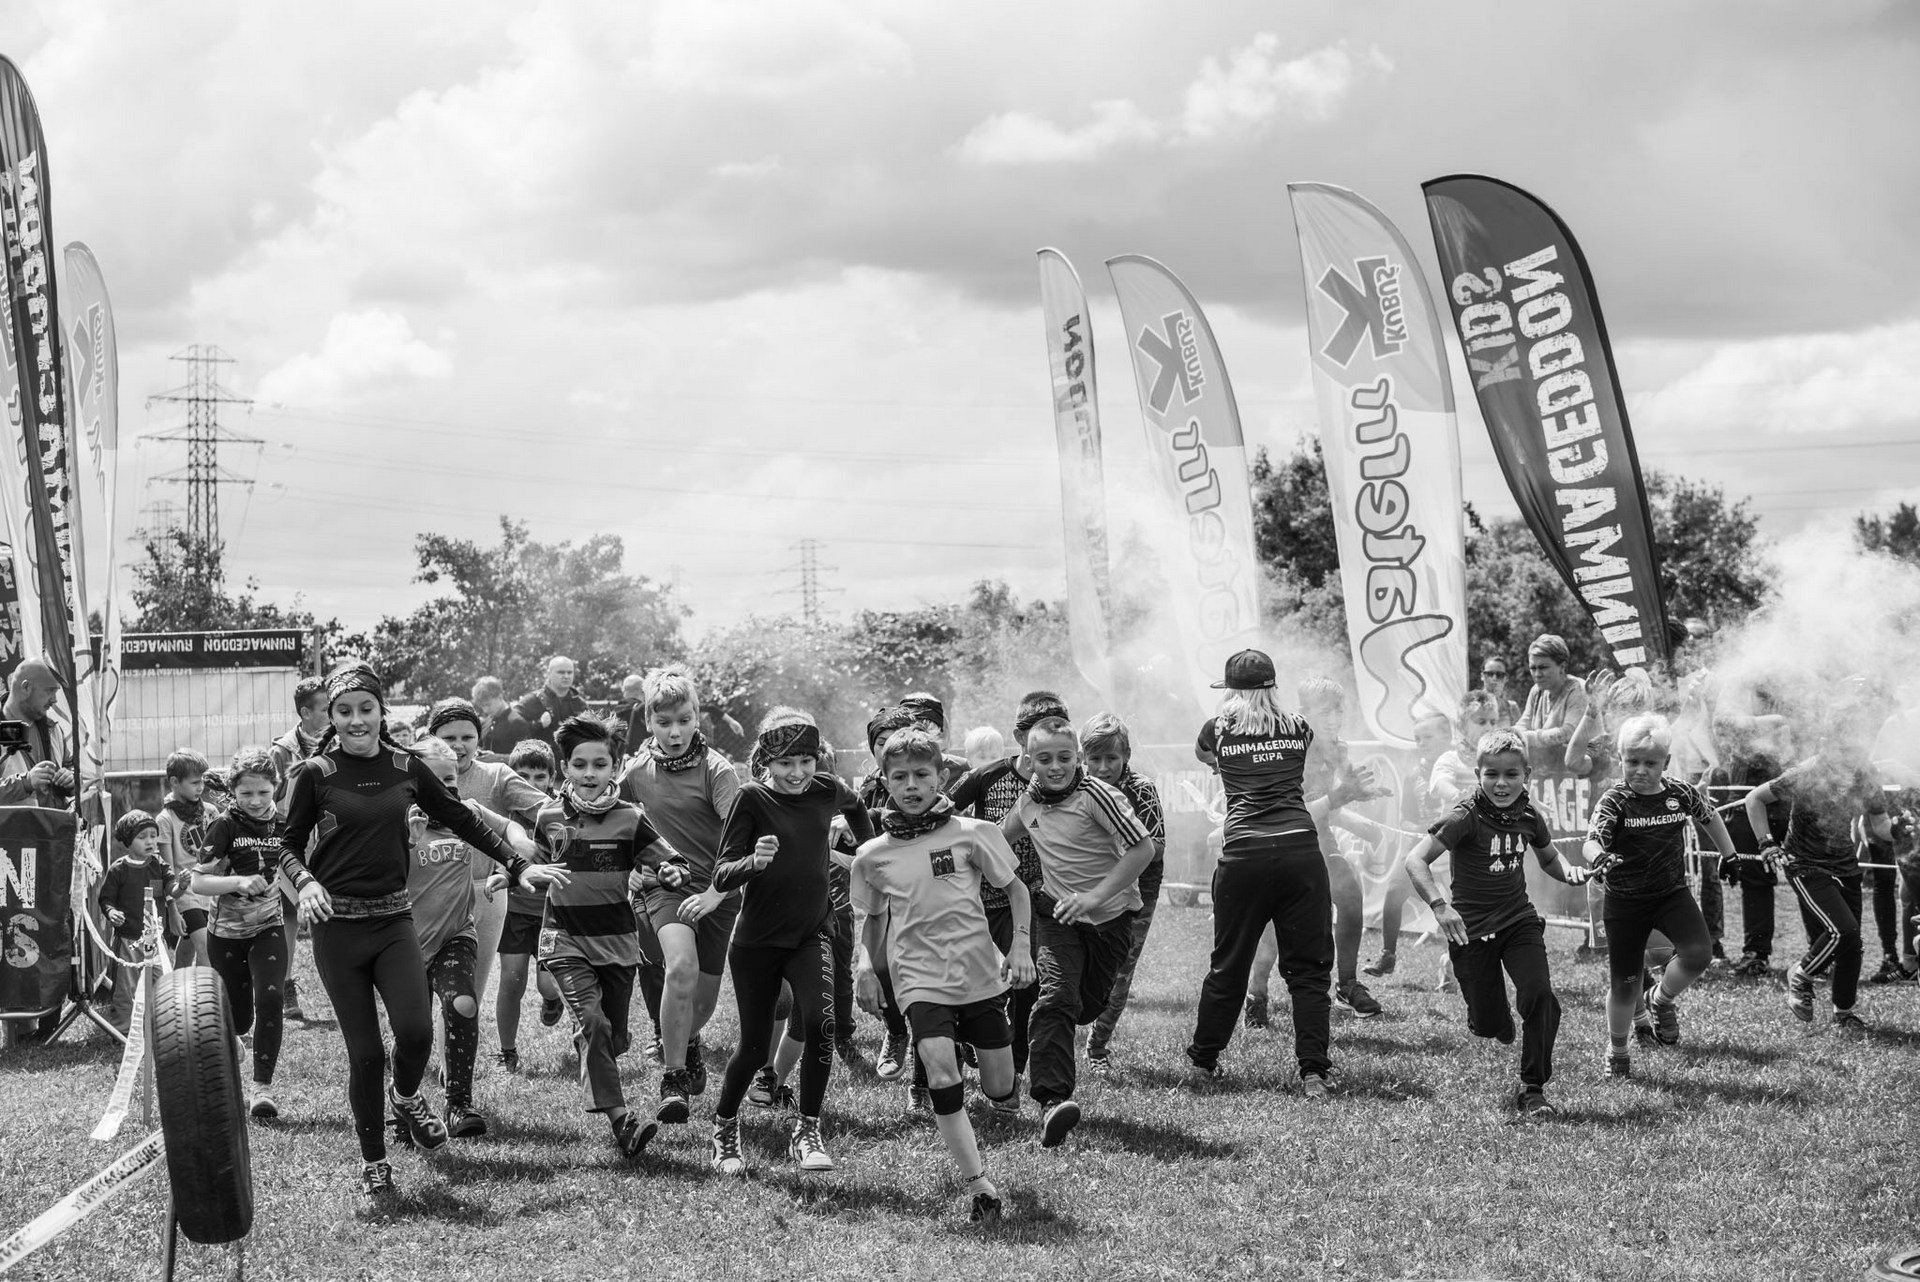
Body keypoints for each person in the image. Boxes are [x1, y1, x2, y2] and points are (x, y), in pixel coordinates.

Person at [279, 666, 568, 1204]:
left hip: (395, 922)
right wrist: (306, 881)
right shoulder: (316, 773)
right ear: (333, 717)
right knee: (366, 1053)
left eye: (366, 708)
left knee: (416, 1034)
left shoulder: (407, 766)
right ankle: (374, 1162)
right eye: (344, 711)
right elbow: (288, 844)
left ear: (380, 711)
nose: (356, 720)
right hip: (339, 930)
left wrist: (515, 862)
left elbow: (462, 817)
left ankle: (406, 1094)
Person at [851, 727, 1035, 1222]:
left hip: (978, 973)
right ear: (884, 781)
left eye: (921, 774)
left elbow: (1016, 890)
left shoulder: (973, 833)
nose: (911, 785)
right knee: (941, 1073)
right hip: (918, 978)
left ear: (941, 776)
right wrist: (865, 966)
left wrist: (1019, 946)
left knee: (999, 1087)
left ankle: (992, 1074)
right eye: (899, 777)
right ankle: (980, 1187)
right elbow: (872, 918)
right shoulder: (872, 856)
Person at [1185, 651, 1376, 1098]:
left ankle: (1203, 1062)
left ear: (1232, 692)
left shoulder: (1216, 729)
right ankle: (1313, 1074)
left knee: (1228, 965)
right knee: (1309, 972)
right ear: (1273, 687)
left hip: (1244, 854)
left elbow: (1204, 754)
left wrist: (1227, 765)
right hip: (1300, 853)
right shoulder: (1300, 727)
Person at [707, 709, 873, 1177]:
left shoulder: (826, 788)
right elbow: (721, 873)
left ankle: (807, 1129)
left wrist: (870, 850)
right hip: (757, 943)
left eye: (805, 761)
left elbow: (856, 804)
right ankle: (724, 1126)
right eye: (785, 763)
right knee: (754, 1049)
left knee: (822, 1023)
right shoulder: (751, 798)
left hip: (811, 933)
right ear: (766, 761)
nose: (797, 773)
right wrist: (753, 863)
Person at [514, 714, 689, 1157]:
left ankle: (590, 1041)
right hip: (564, 938)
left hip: (616, 943)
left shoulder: (631, 818)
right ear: (565, 768)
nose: (589, 773)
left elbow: (672, 861)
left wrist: (672, 872)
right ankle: (622, 1120)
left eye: (599, 764)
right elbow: (534, 862)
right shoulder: (549, 816)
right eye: (579, 764)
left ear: (616, 767)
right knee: (593, 1023)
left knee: (614, 1038)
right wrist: (512, 874)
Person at [1404, 730, 1592, 1116]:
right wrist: (1440, 907)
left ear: (1527, 775)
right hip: (1470, 932)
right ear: (1478, 775)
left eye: (1511, 774)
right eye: (1492, 774)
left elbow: (1549, 858)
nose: (1501, 783)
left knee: (1540, 996)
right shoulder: (1465, 816)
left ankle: (1532, 1088)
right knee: (1489, 1026)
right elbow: (1415, 860)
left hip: (1518, 921)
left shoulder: (1529, 815)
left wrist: (1571, 873)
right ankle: (1494, 1018)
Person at [1001, 714, 1155, 1146]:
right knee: (1055, 998)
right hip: (1058, 918)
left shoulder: (1098, 795)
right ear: (1028, 761)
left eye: (1064, 758)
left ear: (1078, 758)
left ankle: (1060, 1025)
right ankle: (1052, 1101)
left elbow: (1143, 849)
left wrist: (1094, 897)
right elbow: (995, 841)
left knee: (1085, 1007)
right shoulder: (1028, 803)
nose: (1055, 767)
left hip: (1111, 922)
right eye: (1044, 759)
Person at [615, 664, 742, 1124]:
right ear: (648, 720)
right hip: (665, 886)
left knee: (703, 1004)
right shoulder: (636, 771)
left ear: (697, 716)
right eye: (664, 722)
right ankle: (673, 1079)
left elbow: (740, 840)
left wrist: (715, 893)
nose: (675, 732)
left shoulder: (717, 770)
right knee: (681, 967)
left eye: (684, 720)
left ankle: (686, 1042)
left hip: (718, 889)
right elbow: (610, 816)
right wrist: (631, 868)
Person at [1584, 716, 1737, 1077]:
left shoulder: (1680, 792)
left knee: (1699, 954)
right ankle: (1618, 1050)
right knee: (1624, 984)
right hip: (1625, 903)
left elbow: (1709, 815)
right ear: (1620, 759)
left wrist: (1729, 855)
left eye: (1650, 763)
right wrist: (1599, 857)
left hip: (1671, 894)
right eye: (1632, 761)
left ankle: (1660, 999)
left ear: (1666, 763)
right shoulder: (1614, 801)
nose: (1641, 770)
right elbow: (1591, 842)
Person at [407, 736, 537, 1138]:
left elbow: (507, 827)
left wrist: (518, 844)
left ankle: (459, 1104)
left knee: (463, 1004)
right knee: (412, 1031)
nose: (445, 788)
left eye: (450, 779)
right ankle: (405, 1104)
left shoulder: (468, 812)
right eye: (434, 780)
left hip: (456, 935)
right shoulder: (398, 819)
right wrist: (407, 837)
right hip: (405, 941)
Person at [947, 690, 1071, 1100]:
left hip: (1036, 901)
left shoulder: (1069, 779)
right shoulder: (988, 776)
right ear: (1020, 738)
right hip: (983, 900)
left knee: (1027, 985)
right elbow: (940, 809)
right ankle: (970, 1040)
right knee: (980, 984)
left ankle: (1013, 1071)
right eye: (1038, 735)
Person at [1743, 732, 1889, 1031]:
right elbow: (1754, 798)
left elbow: (1881, 824)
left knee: (1853, 943)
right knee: (1843, 931)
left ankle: (1844, 1014)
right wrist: (1767, 843)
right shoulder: (1808, 771)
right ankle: (1801, 974)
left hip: (1846, 865)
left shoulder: (1866, 773)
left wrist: (1901, 829)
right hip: (1805, 864)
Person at [426, 700, 547, 1017]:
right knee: (420, 991)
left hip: (486, 894)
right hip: (427, 896)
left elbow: (548, 810)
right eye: (449, 738)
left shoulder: (496, 776)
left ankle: (451, 1049)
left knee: (469, 997)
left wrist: (521, 839)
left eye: (467, 737)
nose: (458, 746)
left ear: (479, 739)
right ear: (432, 739)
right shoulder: (415, 777)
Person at [191, 749, 290, 1119]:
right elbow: (198, 882)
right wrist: (238, 882)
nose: (256, 801)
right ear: (233, 790)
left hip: (268, 926)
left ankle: (262, 1088)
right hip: (226, 934)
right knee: (240, 1018)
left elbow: (300, 862)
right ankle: (234, 1040)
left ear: (276, 787)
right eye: (246, 793)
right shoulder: (224, 826)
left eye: (264, 792)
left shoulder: (284, 825)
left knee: (271, 998)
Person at [1078, 713, 1166, 1070]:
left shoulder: (1141, 788)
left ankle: (1097, 1048)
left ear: (1126, 755)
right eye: (1095, 758)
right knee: (1073, 967)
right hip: (1083, 888)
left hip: (1138, 894)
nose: (1103, 767)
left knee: (1119, 975)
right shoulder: (1074, 786)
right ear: (1083, 757)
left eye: (1111, 758)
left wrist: (1120, 841)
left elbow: (1156, 846)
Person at [494, 739, 566, 1070]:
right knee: (511, 980)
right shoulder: (504, 815)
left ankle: (552, 1000)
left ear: (552, 779)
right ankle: (506, 1051)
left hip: (552, 912)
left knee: (548, 983)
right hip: (514, 910)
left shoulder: (560, 813)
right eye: (522, 777)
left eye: (539, 777)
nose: (532, 784)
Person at [269, 675, 328, 1020]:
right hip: (290, 838)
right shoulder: (282, 751)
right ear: (305, 713)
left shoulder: (341, 744)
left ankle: (343, 982)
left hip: (331, 837)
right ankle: (285, 983)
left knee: (329, 913)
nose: (333, 715)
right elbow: (271, 798)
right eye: (326, 709)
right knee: (288, 915)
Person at [97, 810, 170, 1034]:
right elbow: (106, 899)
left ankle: (163, 1027)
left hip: (155, 938)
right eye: (142, 837)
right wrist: (111, 913)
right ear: (128, 841)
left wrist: (182, 886)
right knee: (125, 987)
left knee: (162, 984)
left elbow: (172, 888)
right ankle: (122, 1029)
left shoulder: (158, 864)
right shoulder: (118, 869)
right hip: (128, 940)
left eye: (153, 836)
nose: (150, 841)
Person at [156, 749, 214, 969]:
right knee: (205, 947)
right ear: (174, 782)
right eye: (194, 782)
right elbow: (167, 869)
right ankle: (204, 991)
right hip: (185, 893)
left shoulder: (210, 812)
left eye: (202, 781)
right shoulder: (165, 819)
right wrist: (171, 906)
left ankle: (178, 984)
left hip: (208, 889)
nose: (201, 787)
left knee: (188, 945)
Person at [0, 657, 77, 809]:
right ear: (26, 688)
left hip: (54, 823)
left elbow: (70, 766)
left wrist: (70, 778)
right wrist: (26, 782)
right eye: (49, 691)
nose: (54, 700)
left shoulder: (53, 729)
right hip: (10, 825)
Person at [1516, 634, 1588, 773]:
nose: (1537, 674)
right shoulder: (1537, 691)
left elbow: (1568, 733)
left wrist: (1527, 738)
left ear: (1562, 667)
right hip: (1547, 773)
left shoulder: (1577, 690)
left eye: (1543, 667)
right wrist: (1508, 735)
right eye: (1533, 668)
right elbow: (1524, 723)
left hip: (1578, 775)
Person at [515, 656, 588, 750]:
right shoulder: (532, 701)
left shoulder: (580, 704)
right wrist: (538, 724)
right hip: (541, 757)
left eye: (569, 672)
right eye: (561, 672)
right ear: (549, 673)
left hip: (572, 757)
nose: (566, 676)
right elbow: (513, 729)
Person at [472, 676, 534, 759]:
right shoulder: (485, 723)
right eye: (482, 706)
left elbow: (527, 757)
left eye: (488, 705)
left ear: (500, 697)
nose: (485, 710)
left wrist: (497, 758)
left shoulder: (517, 722)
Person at [1478, 654, 1523, 728]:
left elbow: (1519, 734)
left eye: (1499, 675)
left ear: (1506, 678)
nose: (1494, 678)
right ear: (1482, 676)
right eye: (1489, 674)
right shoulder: (1471, 706)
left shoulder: (1512, 708)